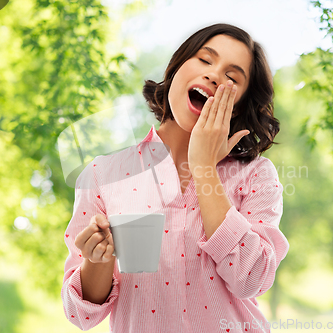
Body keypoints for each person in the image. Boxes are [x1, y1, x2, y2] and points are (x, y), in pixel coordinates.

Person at [61, 23, 289, 333]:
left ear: (238, 107)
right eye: (205, 60)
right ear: (176, 68)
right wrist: (97, 259)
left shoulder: (256, 175)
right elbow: (81, 315)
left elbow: (251, 279)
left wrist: (205, 167)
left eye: (232, 77)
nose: (213, 76)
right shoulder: (104, 176)